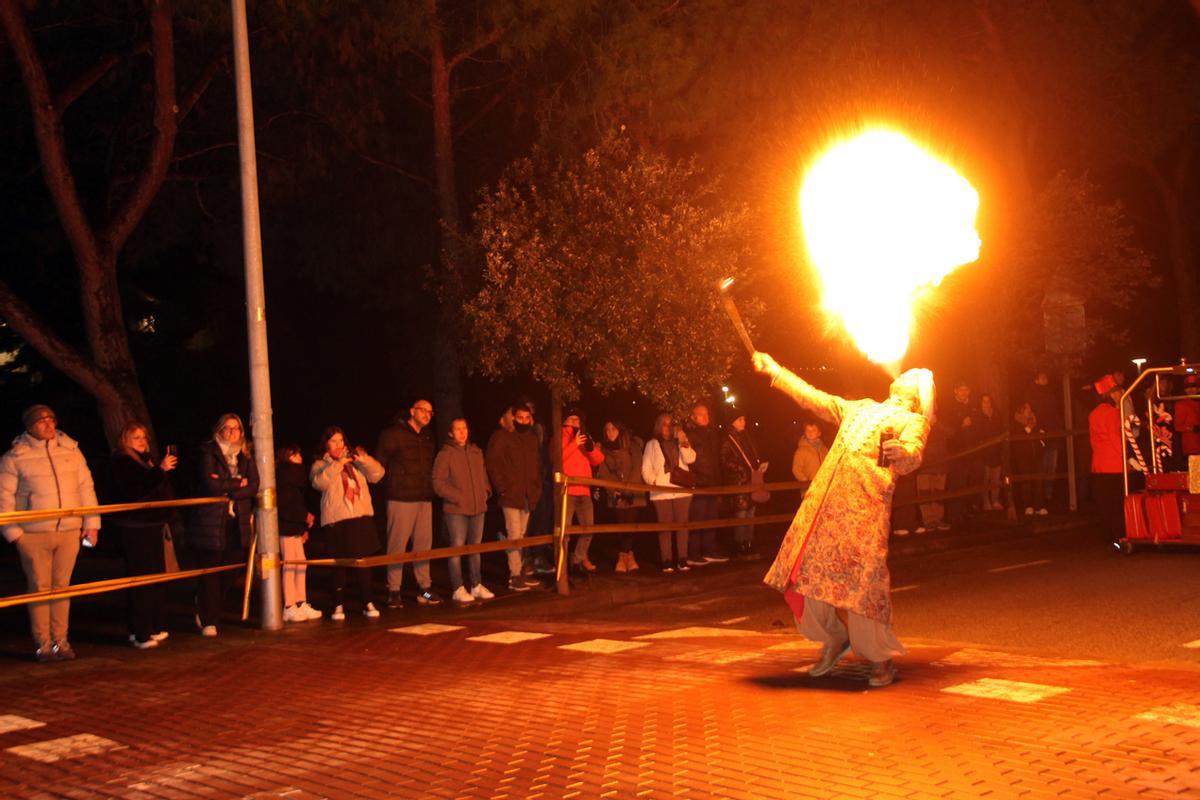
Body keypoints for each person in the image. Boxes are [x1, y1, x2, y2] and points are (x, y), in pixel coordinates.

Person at [754, 352, 932, 689]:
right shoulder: (860, 407)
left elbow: (915, 452)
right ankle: (834, 638)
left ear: (917, 396)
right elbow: (814, 399)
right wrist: (776, 371)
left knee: (863, 585)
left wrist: (904, 453)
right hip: (825, 508)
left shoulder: (913, 420)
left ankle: (879, 657)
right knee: (807, 573)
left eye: (914, 377)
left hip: (864, 512)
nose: (906, 375)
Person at [0, 405, 100, 662]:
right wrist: (14, 534)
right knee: (40, 588)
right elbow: (4, 498)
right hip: (33, 534)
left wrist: (91, 523)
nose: (48, 424)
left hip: (69, 531)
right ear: (30, 426)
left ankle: (61, 640)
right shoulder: (14, 457)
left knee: (62, 587)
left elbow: (85, 487)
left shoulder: (71, 450)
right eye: (41, 421)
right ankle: (43, 642)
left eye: (51, 419)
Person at [108, 422, 179, 648]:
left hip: (152, 524)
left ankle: (154, 625)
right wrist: (160, 471)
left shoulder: (145, 461)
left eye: (144, 437)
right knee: (142, 578)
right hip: (135, 527)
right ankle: (141, 631)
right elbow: (135, 490)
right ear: (125, 440)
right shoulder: (122, 462)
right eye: (136, 437)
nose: (142, 441)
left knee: (156, 576)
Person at [190, 413, 259, 637]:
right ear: (219, 430)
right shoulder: (209, 452)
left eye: (236, 428)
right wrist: (238, 483)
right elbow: (210, 484)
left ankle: (207, 603)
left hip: (237, 520)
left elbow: (254, 485)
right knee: (211, 568)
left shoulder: (246, 455)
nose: (232, 432)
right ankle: (208, 619)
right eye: (227, 428)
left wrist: (229, 488)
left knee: (233, 566)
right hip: (212, 520)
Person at [312, 427, 385, 620]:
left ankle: (368, 602)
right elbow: (318, 483)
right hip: (338, 520)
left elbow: (378, 475)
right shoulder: (321, 464)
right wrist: (338, 464)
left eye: (341, 440)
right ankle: (338, 604)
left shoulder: (355, 461)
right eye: (333, 441)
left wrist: (364, 460)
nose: (338, 444)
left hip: (360, 517)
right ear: (326, 444)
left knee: (363, 562)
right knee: (339, 564)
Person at [376, 399, 441, 608]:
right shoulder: (393, 434)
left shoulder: (428, 437)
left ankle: (424, 589)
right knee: (397, 546)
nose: (427, 415)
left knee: (423, 546)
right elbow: (379, 464)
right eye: (423, 410)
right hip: (401, 498)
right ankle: (394, 590)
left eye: (430, 412)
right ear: (412, 411)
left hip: (423, 498)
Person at [433, 418, 494, 603]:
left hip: (478, 508)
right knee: (457, 548)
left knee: (475, 548)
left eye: (464, 428)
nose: (462, 432)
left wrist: (485, 491)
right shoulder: (446, 454)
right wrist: (458, 497)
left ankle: (476, 585)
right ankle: (458, 587)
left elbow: (483, 475)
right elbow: (438, 482)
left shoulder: (476, 452)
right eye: (457, 429)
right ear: (451, 433)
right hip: (456, 510)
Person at [485, 403, 543, 592]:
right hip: (511, 495)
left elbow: (536, 465)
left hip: (528, 494)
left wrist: (536, 487)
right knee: (515, 534)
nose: (523, 421)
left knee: (522, 534)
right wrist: (503, 488)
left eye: (527, 418)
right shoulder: (502, 436)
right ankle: (514, 575)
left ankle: (520, 571)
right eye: (520, 418)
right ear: (513, 418)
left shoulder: (532, 438)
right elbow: (492, 462)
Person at [642, 413, 696, 573]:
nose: (667, 427)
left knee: (682, 525)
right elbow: (646, 467)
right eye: (664, 424)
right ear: (658, 426)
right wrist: (653, 481)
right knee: (664, 526)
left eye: (670, 424)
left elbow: (691, 459)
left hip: (681, 489)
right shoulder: (651, 444)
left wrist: (683, 441)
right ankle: (666, 559)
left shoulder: (680, 441)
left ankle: (682, 558)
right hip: (661, 491)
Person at [277, 444, 320, 623]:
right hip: (285, 528)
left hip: (294, 527)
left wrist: (303, 526)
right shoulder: (284, 477)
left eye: (299, 455)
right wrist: (304, 516)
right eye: (293, 455)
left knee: (300, 564)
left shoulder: (295, 480)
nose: (299, 458)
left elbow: (298, 503)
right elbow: (286, 506)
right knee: (289, 565)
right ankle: (289, 606)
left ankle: (300, 602)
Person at [596, 419, 647, 573]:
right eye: (607, 429)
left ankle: (624, 557)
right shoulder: (603, 449)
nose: (610, 432)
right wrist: (614, 490)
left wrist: (628, 489)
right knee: (620, 524)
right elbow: (604, 471)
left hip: (633, 493)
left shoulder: (632, 445)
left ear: (620, 430)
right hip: (616, 494)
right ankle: (627, 556)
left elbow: (637, 467)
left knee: (630, 524)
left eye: (613, 429)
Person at [562, 409, 605, 572]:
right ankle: (562, 566)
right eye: (571, 419)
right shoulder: (560, 436)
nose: (574, 422)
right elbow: (557, 458)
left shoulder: (585, 436)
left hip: (584, 490)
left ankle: (577, 560)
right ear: (564, 421)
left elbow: (599, 460)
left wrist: (590, 447)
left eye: (577, 420)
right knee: (565, 531)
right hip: (567, 491)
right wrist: (574, 444)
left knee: (588, 528)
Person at [720, 408, 767, 557]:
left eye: (744, 419)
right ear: (732, 422)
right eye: (740, 419)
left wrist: (758, 466)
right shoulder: (728, 440)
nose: (743, 422)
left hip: (751, 480)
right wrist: (741, 469)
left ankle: (749, 541)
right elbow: (724, 461)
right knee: (741, 513)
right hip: (739, 482)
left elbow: (753, 456)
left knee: (751, 513)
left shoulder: (746, 437)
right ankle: (739, 543)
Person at [684, 401, 726, 565]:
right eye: (701, 414)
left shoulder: (712, 433)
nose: (706, 417)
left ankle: (709, 550)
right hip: (699, 483)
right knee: (697, 519)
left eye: (707, 414)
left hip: (713, 481)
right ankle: (693, 553)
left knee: (711, 518)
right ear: (693, 417)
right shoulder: (690, 434)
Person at [1089, 383, 1125, 545]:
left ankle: (1107, 536)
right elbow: (1115, 438)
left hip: (1099, 463)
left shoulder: (1093, 414)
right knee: (1117, 503)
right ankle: (1119, 536)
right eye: (1116, 392)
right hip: (1114, 464)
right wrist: (1126, 456)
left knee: (1104, 503)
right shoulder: (1113, 413)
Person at [1026, 370, 1064, 506]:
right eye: (1042, 377)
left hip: (1053, 435)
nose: (1045, 379)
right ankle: (1040, 495)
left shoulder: (1051, 393)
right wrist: (1039, 429)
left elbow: (1055, 412)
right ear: (1036, 380)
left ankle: (1049, 494)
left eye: (1045, 376)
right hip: (1041, 436)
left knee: (1052, 467)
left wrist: (1058, 429)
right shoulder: (1033, 395)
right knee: (1041, 466)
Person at [945, 381, 979, 526]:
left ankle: (966, 511)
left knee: (969, 482)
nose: (964, 392)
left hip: (972, 452)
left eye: (966, 389)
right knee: (956, 483)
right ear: (955, 391)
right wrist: (961, 425)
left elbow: (979, 426)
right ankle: (953, 514)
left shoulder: (973, 407)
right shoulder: (950, 407)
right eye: (961, 389)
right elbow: (948, 430)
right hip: (957, 453)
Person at [915, 412, 951, 533]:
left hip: (940, 465)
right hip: (924, 466)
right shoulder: (918, 423)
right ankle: (928, 520)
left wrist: (937, 423)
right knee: (924, 493)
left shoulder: (942, 419)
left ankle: (938, 519)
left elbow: (951, 433)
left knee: (939, 494)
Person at [1011, 402, 1047, 516]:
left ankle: (1039, 505)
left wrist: (1041, 441)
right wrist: (1028, 429)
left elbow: (1041, 435)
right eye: (1027, 409)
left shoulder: (1034, 421)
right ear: (1022, 411)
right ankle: (1028, 505)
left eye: (1030, 408)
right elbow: (1018, 439)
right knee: (1026, 482)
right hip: (1023, 457)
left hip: (1036, 455)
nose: (1030, 411)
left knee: (1038, 481)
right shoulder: (1016, 423)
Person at [978, 394, 1005, 511]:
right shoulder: (979, 417)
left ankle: (995, 500)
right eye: (984, 401)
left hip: (996, 451)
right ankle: (986, 501)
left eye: (988, 401)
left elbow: (1001, 430)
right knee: (985, 479)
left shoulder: (996, 415)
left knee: (996, 478)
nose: (986, 403)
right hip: (984, 453)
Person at [791, 423, 828, 494]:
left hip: (824, 487)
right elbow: (796, 470)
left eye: (813, 430)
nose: (810, 432)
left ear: (819, 433)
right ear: (804, 433)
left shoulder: (824, 450)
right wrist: (805, 481)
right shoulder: (801, 451)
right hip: (809, 489)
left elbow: (829, 466)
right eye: (807, 430)